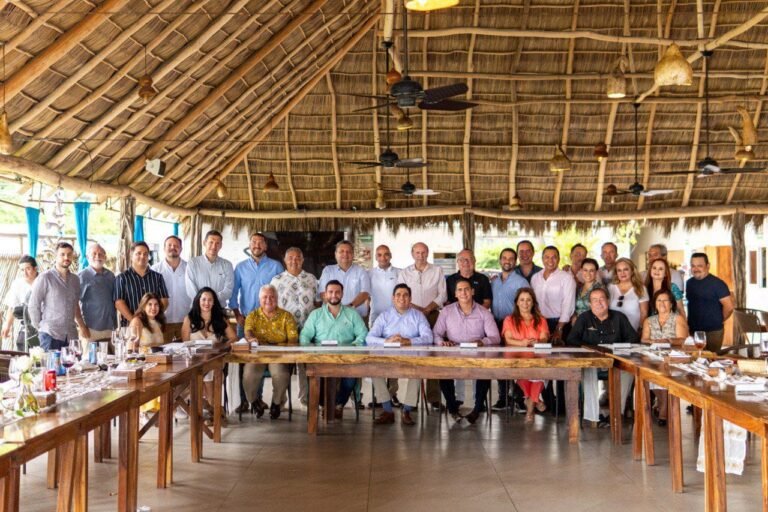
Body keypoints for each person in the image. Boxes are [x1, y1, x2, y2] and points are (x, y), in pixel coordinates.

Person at [433, 278, 500, 424]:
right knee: (443, 372)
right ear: (455, 294)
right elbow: (436, 333)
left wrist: (482, 341)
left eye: (467, 289)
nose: (463, 293)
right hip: (453, 353)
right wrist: (441, 342)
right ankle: (452, 409)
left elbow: (495, 337)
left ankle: (476, 410)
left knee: (485, 372)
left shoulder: (484, 313)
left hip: (477, 354)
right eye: (460, 290)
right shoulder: (446, 311)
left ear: (473, 291)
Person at [567, 287, 638, 423]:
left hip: (615, 361)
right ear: (590, 304)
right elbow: (571, 339)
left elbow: (633, 338)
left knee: (628, 372)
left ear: (608, 301)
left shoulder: (619, 317)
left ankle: (616, 413)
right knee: (587, 371)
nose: (599, 303)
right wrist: (591, 347)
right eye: (594, 300)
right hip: (592, 361)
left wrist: (617, 348)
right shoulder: (584, 318)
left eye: (602, 299)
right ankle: (594, 414)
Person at [300, 280, 367, 419]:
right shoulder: (316, 315)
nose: (334, 295)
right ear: (325, 295)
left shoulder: (352, 314)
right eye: (330, 292)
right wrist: (309, 352)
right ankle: (324, 405)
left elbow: (363, 334)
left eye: (337, 292)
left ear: (342, 294)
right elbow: (305, 336)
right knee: (316, 377)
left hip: (347, 357)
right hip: (321, 357)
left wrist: (354, 347)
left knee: (351, 378)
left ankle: (338, 405)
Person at [367, 284, 432, 426]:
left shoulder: (418, 316)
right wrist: (386, 340)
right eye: (398, 295)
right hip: (387, 358)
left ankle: (407, 410)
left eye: (405, 295)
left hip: (412, 358)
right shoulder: (384, 316)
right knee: (373, 370)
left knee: (417, 372)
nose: (401, 298)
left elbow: (428, 337)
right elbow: (369, 338)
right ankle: (387, 409)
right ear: (393, 298)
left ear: (410, 298)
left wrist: (409, 341)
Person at [397, 242, 447, 408]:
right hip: (411, 315)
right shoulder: (405, 272)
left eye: (423, 252)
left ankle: (433, 398)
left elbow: (442, 294)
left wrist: (427, 309)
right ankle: (412, 401)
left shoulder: (437, 270)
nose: (421, 255)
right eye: (417, 252)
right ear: (412, 254)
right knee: (414, 354)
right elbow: (401, 293)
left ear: (428, 253)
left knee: (433, 354)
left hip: (433, 315)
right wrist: (418, 310)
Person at [270, 247, 318, 406]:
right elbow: (271, 306)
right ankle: (280, 399)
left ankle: (306, 398)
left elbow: (317, 304)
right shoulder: (276, 280)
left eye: (298, 258)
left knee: (306, 365)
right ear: (284, 260)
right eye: (290, 257)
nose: (294, 261)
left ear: (303, 260)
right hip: (284, 330)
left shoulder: (312, 279)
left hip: (307, 328)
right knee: (283, 366)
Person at [182, 286, 237, 423]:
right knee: (204, 373)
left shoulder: (220, 319)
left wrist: (223, 346)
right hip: (194, 363)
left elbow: (234, 338)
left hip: (215, 361)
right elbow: (185, 343)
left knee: (210, 370)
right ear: (198, 301)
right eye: (204, 299)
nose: (207, 303)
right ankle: (215, 410)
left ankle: (211, 410)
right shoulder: (189, 319)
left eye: (210, 300)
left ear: (214, 302)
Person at [243, 285, 298, 420]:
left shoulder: (287, 316)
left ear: (277, 299)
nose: (268, 300)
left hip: (279, 356)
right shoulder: (252, 316)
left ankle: (276, 403)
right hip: (257, 356)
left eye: (272, 297)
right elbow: (248, 332)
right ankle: (255, 402)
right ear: (259, 299)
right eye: (265, 297)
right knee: (248, 375)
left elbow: (293, 339)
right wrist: (251, 338)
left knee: (280, 374)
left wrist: (284, 348)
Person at [28, 243, 89, 351]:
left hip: (71, 336)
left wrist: (82, 325)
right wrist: (41, 327)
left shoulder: (75, 280)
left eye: (69, 254)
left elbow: (75, 306)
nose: (66, 257)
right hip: (50, 335)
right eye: (62, 254)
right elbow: (33, 305)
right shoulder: (45, 278)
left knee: (73, 367)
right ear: (56, 256)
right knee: (51, 368)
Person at [641, 289, 689, 425]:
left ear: (672, 304)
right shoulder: (649, 320)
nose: (662, 303)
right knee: (650, 373)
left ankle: (663, 411)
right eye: (659, 300)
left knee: (663, 371)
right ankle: (663, 406)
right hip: (653, 355)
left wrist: (668, 341)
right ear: (655, 304)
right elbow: (644, 339)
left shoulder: (677, 318)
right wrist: (654, 342)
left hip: (673, 356)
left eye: (665, 300)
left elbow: (682, 339)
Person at [501, 288, 550, 422]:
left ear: (533, 302)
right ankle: (535, 401)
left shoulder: (541, 320)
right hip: (516, 358)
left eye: (529, 300)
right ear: (517, 302)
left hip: (537, 358)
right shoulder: (509, 319)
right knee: (525, 373)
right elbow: (508, 339)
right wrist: (522, 343)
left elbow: (544, 338)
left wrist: (538, 342)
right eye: (522, 300)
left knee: (538, 374)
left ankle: (530, 406)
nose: (525, 303)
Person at [490, 248, 528, 411]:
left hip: (515, 325)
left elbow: (528, 304)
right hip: (496, 324)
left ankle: (519, 398)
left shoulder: (521, 282)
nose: (507, 261)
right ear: (500, 260)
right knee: (500, 363)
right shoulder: (494, 281)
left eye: (511, 258)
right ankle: (503, 398)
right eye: (504, 258)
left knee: (517, 362)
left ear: (515, 261)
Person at [368, 244, 401, 407]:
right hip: (376, 319)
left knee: (394, 357)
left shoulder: (399, 273)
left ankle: (392, 393)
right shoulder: (370, 274)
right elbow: (366, 295)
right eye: (379, 255)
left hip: (395, 318)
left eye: (386, 254)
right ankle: (378, 396)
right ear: (376, 257)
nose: (383, 258)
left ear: (391, 256)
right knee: (377, 358)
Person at [230, 232, 284, 329]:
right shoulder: (240, 267)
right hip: (246, 320)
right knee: (244, 344)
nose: (257, 246)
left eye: (261, 243)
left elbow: (282, 293)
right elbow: (233, 292)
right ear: (249, 245)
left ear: (266, 247)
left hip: (270, 321)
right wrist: (237, 314)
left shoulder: (276, 266)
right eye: (254, 242)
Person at [686, 252, 734, 352]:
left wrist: (718, 320)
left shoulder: (717, 284)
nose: (696, 269)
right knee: (695, 360)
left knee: (711, 360)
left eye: (700, 266)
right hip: (693, 331)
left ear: (708, 266)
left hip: (713, 332)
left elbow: (729, 307)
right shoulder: (689, 283)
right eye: (693, 266)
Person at [114, 241, 169, 326]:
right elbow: (119, 303)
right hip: (130, 326)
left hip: (153, 326)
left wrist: (154, 317)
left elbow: (164, 301)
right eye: (138, 253)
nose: (142, 256)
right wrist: (134, 321)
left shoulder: (158, 277)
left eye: (145, 254)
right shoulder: (122, 278)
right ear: (131, 256)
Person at [530, 246, 576, 343]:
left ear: (559, 259)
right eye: (547, 257)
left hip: (559, 323)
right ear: (542, 259)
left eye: (554, 257)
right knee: (540, 355)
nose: (550, 260)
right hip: (539, 322)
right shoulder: (535, 277)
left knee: (559, 355)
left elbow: (568, 304)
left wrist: (559, 328)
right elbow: (532, 301)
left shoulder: (566, 278)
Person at [318, 240, 371, 319]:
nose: (345, 254)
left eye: (348, 252)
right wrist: (336, 309)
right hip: (331, 317)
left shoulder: (361, 271)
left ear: (353, 255)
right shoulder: (328, 270)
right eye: (341, 251)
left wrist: (348, 307)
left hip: (357, 317)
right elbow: (323, 293)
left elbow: (365, 293)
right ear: (335, 254)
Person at [151, 235, 190, 340]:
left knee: (186, 353)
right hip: (162, 321)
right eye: (169, 245)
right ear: (164, 249)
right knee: (163, 354)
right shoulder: (154, 270)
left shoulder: (190, 268)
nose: (173, 247)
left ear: (181, 249)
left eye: (176, 245)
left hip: (185, 321)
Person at [79, 244, 117, 345]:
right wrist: (82, 327)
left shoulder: (111, 275)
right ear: (87, 257)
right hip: (91, 330)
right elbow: (74, 304)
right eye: (94, 254)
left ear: (105, 257)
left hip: (110, 329)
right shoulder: (82, 276)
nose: (98, 256)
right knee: (90, 360)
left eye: (101, 254)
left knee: (112, 360)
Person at [185, 230, 234, 308]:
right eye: (211, 242)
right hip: (198, 309)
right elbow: (190, 288)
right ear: (204, 243)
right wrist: (204, 302)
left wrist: (209, 300)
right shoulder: (193, 263)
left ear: (221, 245)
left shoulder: (227, 265)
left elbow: (228, 290)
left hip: (219, 309)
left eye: (217, 243)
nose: (214, 246)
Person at [2, 255, 38, 350]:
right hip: (26, 327)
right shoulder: (17, 284)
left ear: (35, 268)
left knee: (40, 358)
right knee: (23, 356)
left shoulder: (44, 281)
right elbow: (12, 307)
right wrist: (7, 326)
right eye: (22, 270)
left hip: (43, 328)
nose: (25, 273)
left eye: (28, 269)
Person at [608, 257, 648, 332]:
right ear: (616, 273)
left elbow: (644, 313)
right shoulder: (610, 288)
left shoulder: (641, 288)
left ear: (632, 271)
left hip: (632, 331)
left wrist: (641, 329)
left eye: (625, 269)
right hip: (612, 332)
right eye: (619, 270)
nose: (622, 273)